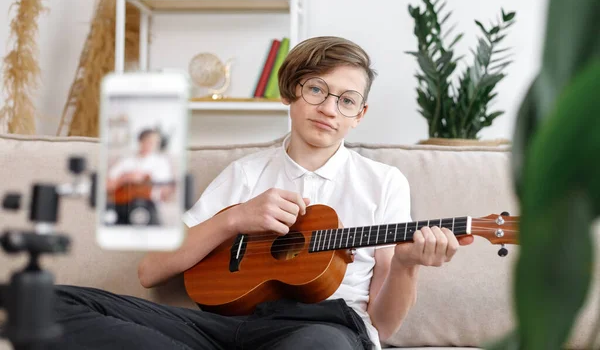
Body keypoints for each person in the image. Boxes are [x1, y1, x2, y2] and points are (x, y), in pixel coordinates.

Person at [50, 36, 474, 350]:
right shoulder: (246, 173)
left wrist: (405, 265)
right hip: (223, 329)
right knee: (51, 301)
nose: (329, 108)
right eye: (316, 90)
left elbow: (380, 327)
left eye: (346, 100)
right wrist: (234, 219)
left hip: (322, 332)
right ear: (291, 93)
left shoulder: (384, 183)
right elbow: (151, 270)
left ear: (359, 115)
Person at [105, 128, 175, 225]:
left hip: (149, 206)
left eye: (155, 142)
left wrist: (165, 191)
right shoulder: (126, 160)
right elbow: (108, 186)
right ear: (140, 141)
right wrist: (125, 178)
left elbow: (167, 191)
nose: (152, 145)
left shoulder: (161, 162)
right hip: (123, 203)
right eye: (149, 141)